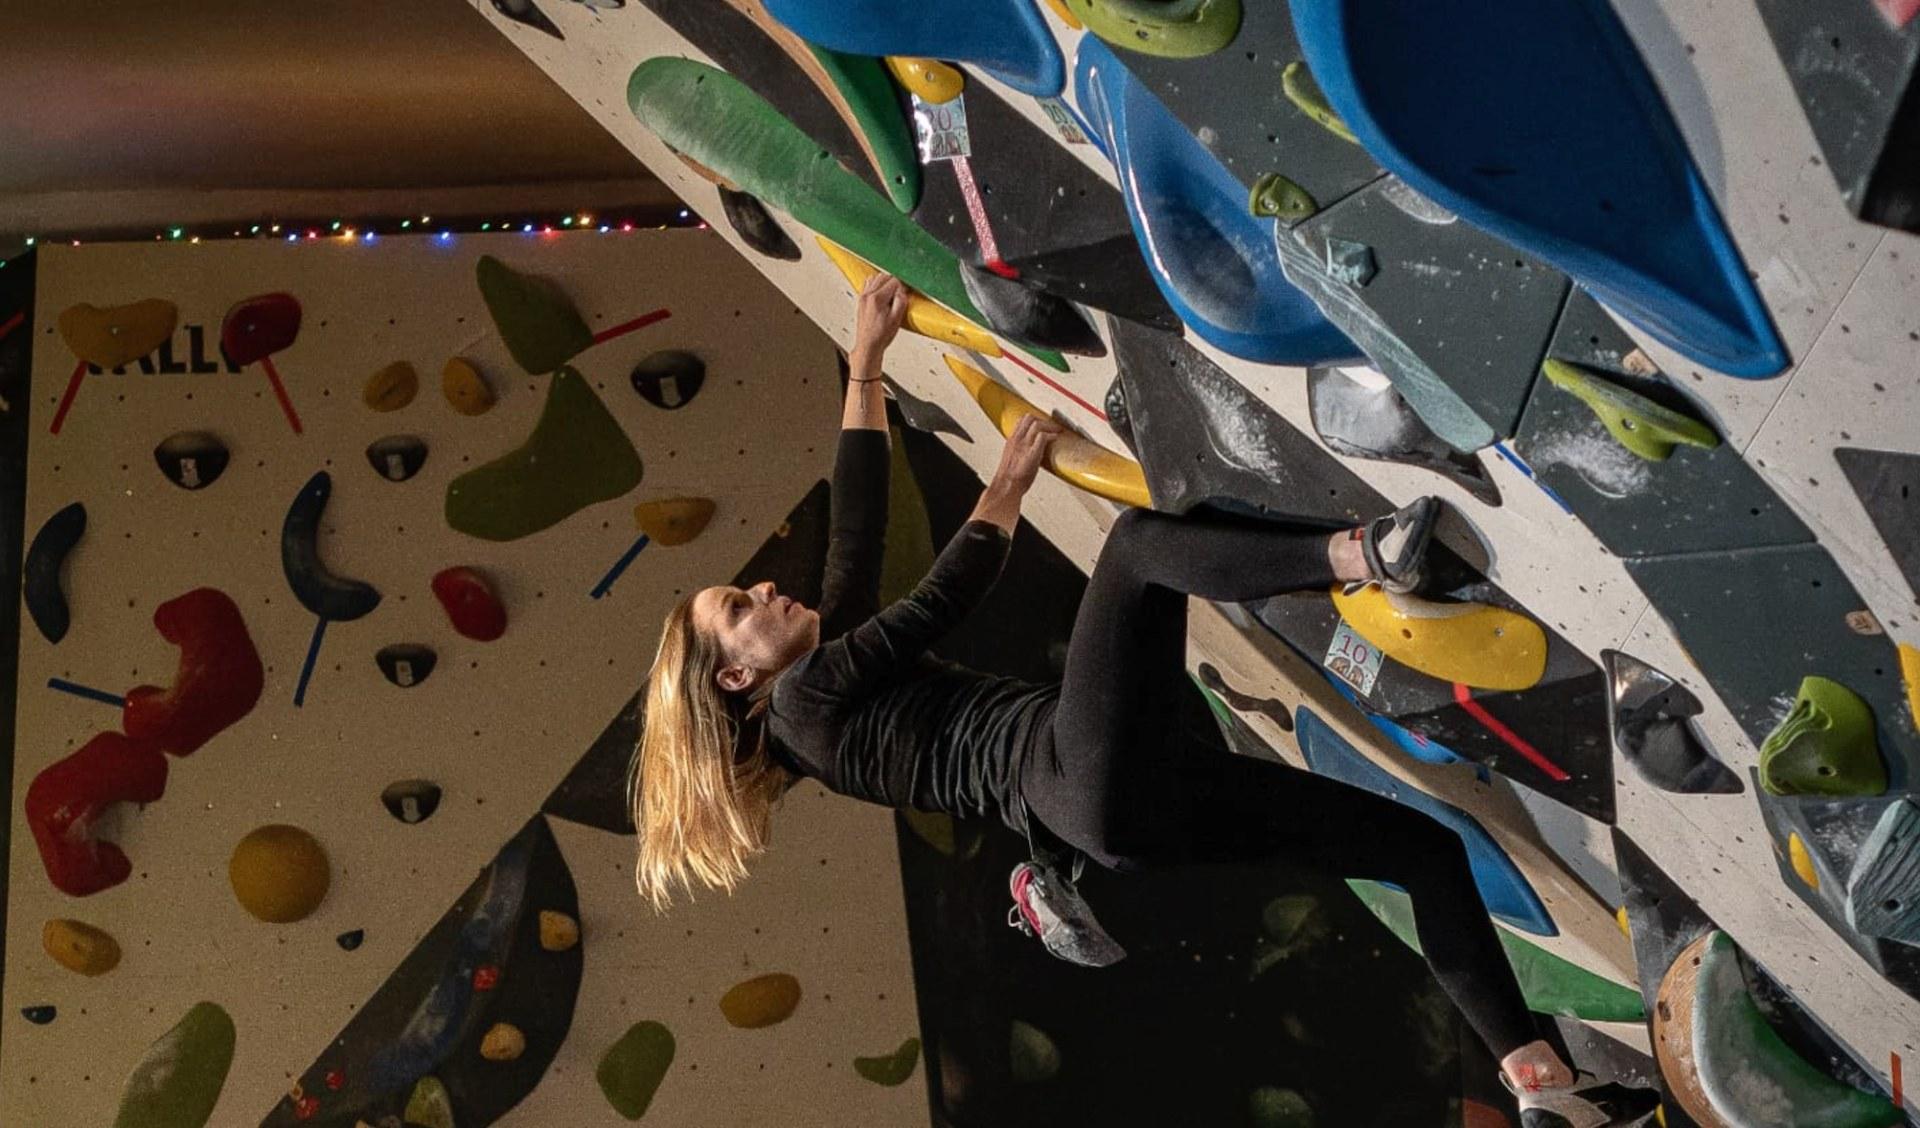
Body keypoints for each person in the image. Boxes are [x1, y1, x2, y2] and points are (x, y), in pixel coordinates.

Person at [632, 272, 1659, 1127]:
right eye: (741, 603)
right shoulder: (809, 697)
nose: (767, 586)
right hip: (1075, 773)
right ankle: (1363, 554)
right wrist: (1011, 479)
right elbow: (940, 600)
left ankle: (1538, 1077)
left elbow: (853, 535)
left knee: (1418, 851)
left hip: (1125, 808)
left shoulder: (816, 697)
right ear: (736, 675)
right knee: (1136, 553)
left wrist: (863, 365)